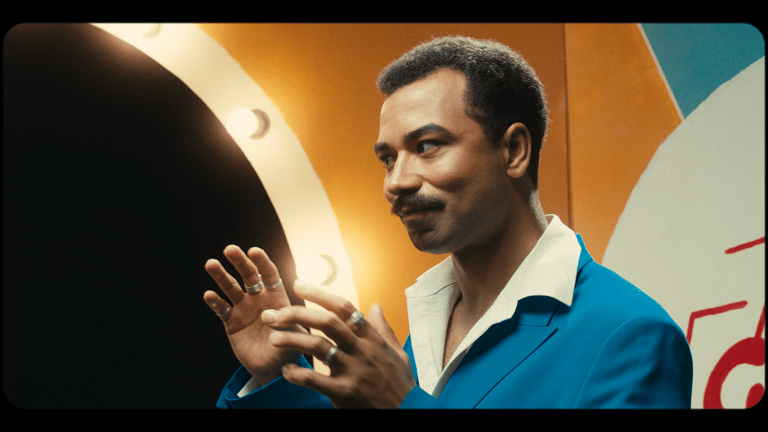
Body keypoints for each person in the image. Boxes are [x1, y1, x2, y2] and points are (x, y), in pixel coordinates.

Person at [202, 36, 694, 408]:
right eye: (388, 158)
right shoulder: (422, 330)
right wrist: (276, 376)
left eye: (427, 146)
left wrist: (402, 403)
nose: (397, 181)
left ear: (514, 151)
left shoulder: (629, 336)